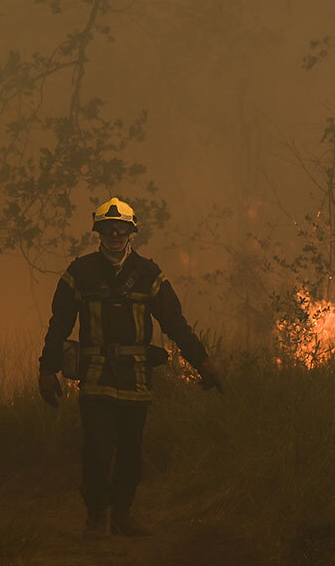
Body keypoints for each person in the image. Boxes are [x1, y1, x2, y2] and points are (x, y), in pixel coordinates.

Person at [38, 197, 223, 537]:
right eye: (108, 228)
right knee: (96, 447)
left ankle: (122, 516)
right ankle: (96, 517)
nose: (115, 233)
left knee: (130, 452)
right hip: (94, 377)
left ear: (131, 231)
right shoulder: (79, 273)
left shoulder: (149, 274)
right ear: (99, 231)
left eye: (121, 228)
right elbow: (59, 325)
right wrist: (48, 371)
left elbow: (175, 323)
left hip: (136, 378)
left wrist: (203, 362)